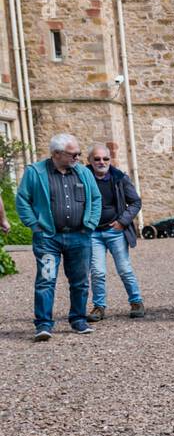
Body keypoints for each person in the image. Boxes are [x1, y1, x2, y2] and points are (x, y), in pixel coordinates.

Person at [15, 133, 102, 340]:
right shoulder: (35, 172)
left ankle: (78, 320)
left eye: (79, 154)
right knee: (46, 280)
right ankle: (44, 325)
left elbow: (96, 199)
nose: (78, 158)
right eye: (73, 154)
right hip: (48, 238)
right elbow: (22, 200)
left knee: (80, 281)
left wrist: (89, 225)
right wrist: (35, 226)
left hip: (79, 237)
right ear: (56, 154)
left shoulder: (83, 173)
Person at [86, 144, 144, 321]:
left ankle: (136, 302)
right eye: (97, 159)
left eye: (105, 159)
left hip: (115, 232)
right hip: (93, 233)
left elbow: (135, 202)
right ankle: (99, 307)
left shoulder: (120, 178)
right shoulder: (82, 178)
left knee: (124, 269)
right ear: (89, 161)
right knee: (97, 272)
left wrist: (122, 222)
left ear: (110, 160)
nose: (101, 162)